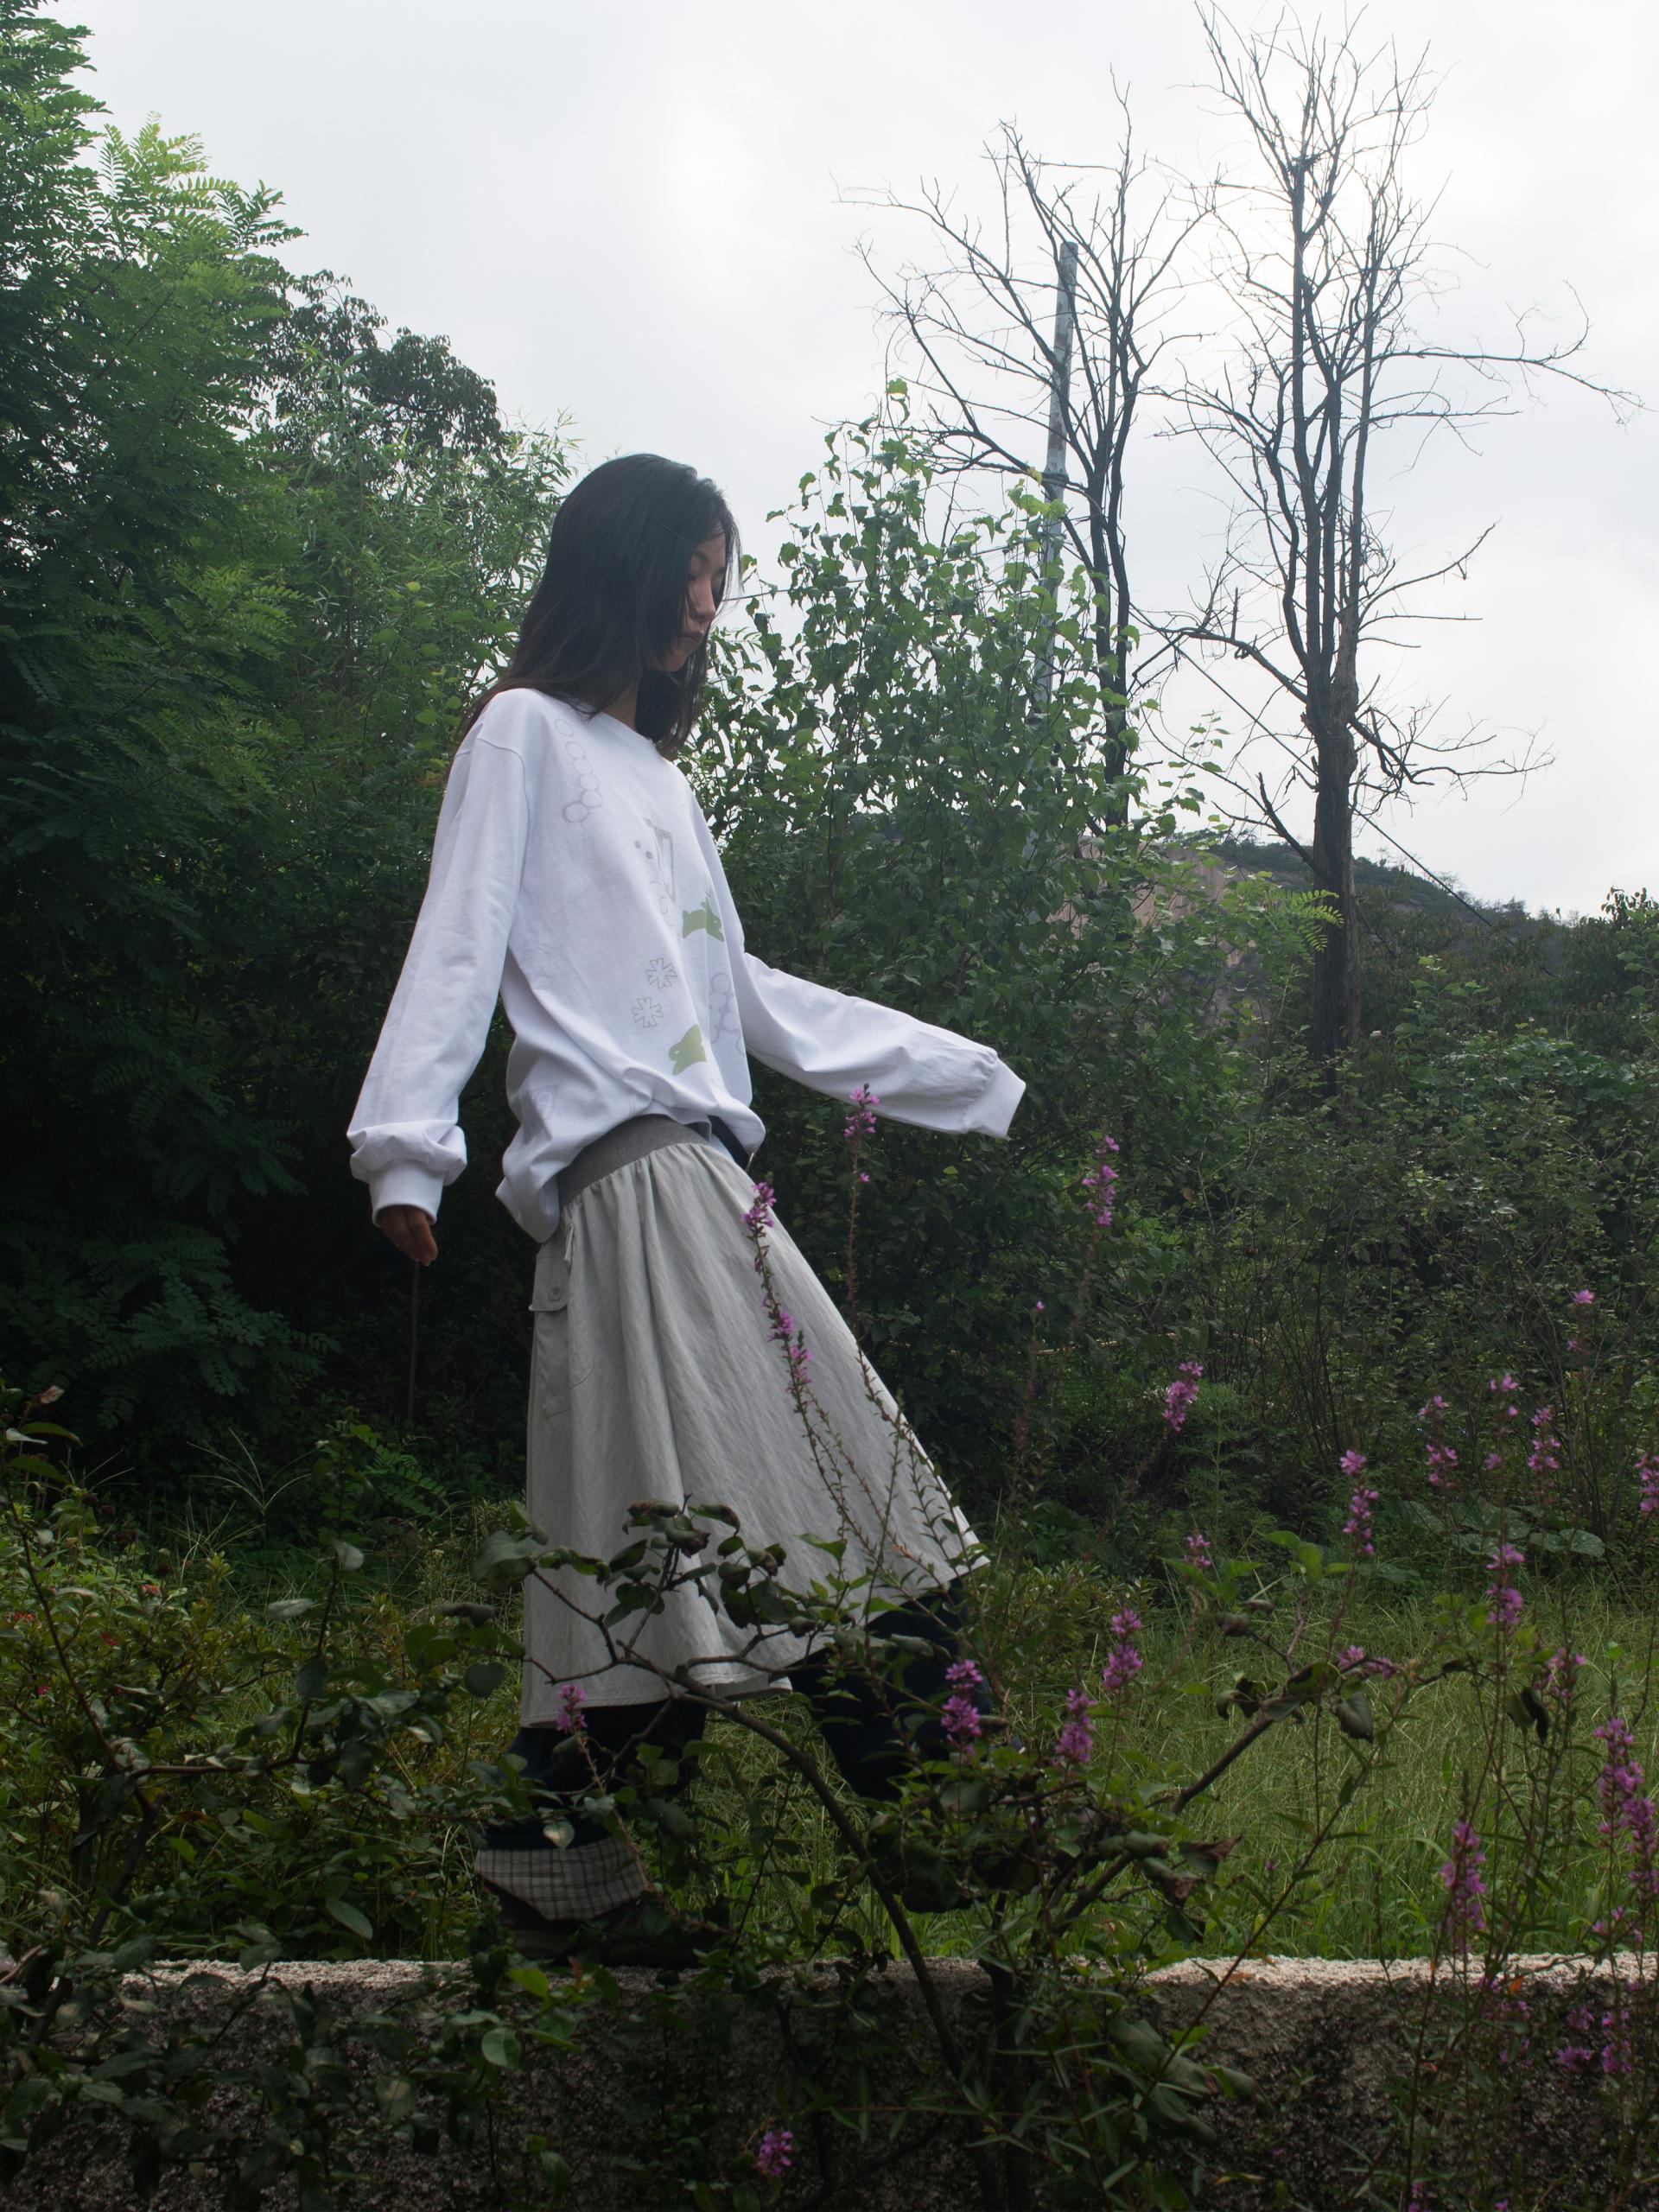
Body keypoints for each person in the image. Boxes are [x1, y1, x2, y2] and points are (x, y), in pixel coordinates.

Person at [348, 454, 1024, 1961]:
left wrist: (960, 1075)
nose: (709, 606)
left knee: (646, 1555)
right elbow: (458, 937)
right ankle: (936, 1816)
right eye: (696, 572)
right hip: (637, 1179)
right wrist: (406, 1150)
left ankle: (553, 1869)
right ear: (625, 568)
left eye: (723, 581)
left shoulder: (660, 783)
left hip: (688, 1178)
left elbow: (745, 997)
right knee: (851, 1485)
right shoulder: (521, 733)